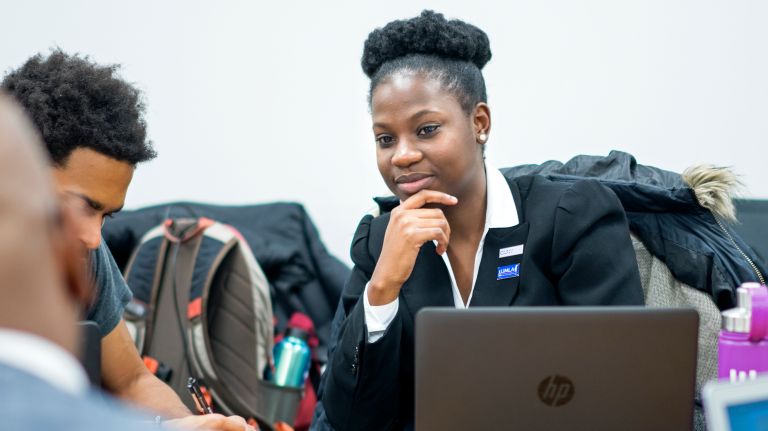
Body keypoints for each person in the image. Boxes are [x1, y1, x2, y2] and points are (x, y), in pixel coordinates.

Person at [316, 11, 644, 430]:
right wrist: (382, 290)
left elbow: (623, 385)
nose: (401, 155)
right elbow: (350, 420)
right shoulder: (380, 242)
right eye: (385, 139)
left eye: (427, 129)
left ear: (479, 123)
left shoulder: (570, 218)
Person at [1, 51, 254, 430]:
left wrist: (192, 426)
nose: (92, 237)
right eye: (83, 207)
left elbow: (131, 381)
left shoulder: (86, 253)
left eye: (107, 215)